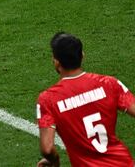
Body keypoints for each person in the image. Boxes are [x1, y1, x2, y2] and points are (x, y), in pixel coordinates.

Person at [36, 32, 135, 166]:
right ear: (82, 56)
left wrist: (54, 161)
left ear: (56, 62)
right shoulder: (109, 83)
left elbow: (47, 149)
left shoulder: (48, 99)